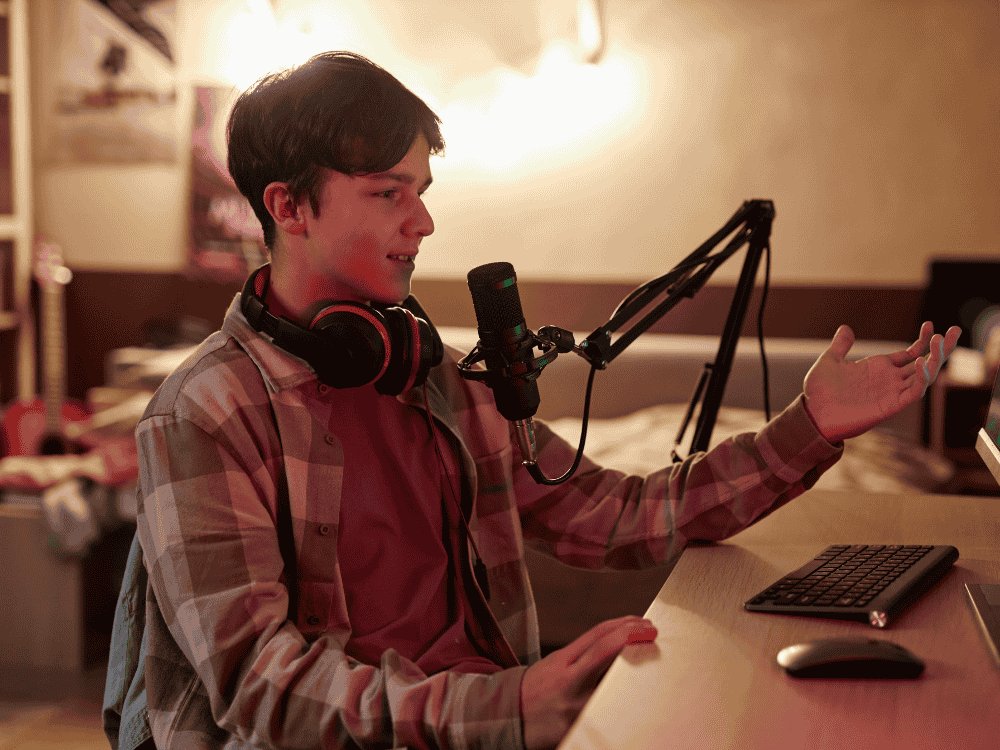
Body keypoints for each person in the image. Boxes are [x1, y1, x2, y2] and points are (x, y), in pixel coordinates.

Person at [103, 51, 961, 750]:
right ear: (287, 205)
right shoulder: (203, 414)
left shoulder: (428, 369)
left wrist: (809, 427)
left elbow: (617, 515)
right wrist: (502, 710)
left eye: (423, 192)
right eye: (388, 194)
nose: (424, 224)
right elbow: (261, 686)